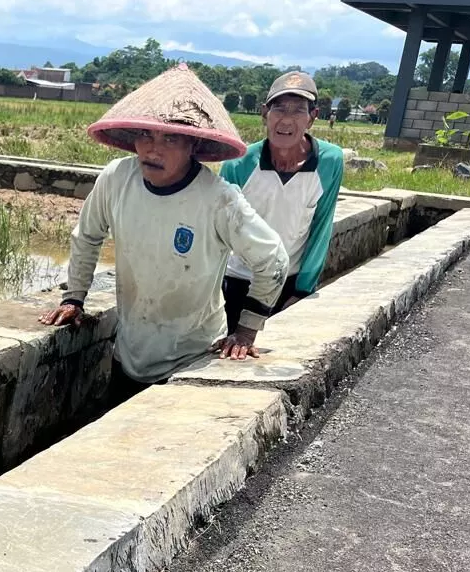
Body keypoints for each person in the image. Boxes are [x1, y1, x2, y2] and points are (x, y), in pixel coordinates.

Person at [39, 63, 289, 398]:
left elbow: (273, 260)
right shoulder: (116, 179)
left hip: (192, 359)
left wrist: (246, 330)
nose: (153, 149)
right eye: (146, 135)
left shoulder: (218, 200)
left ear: (193, 145)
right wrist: (75, 297)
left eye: (170, 138)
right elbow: (87, 236)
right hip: (129, 352)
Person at [220, 71, 344, 333]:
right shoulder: (239, 164)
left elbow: (322, 225)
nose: (286, 119)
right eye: (279, 108)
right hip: (238, 279)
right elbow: (218, 232)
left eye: (298, 110)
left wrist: (303, 289)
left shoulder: (329, 161)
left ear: (312, 117)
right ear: (265, 113)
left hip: (290, 281)